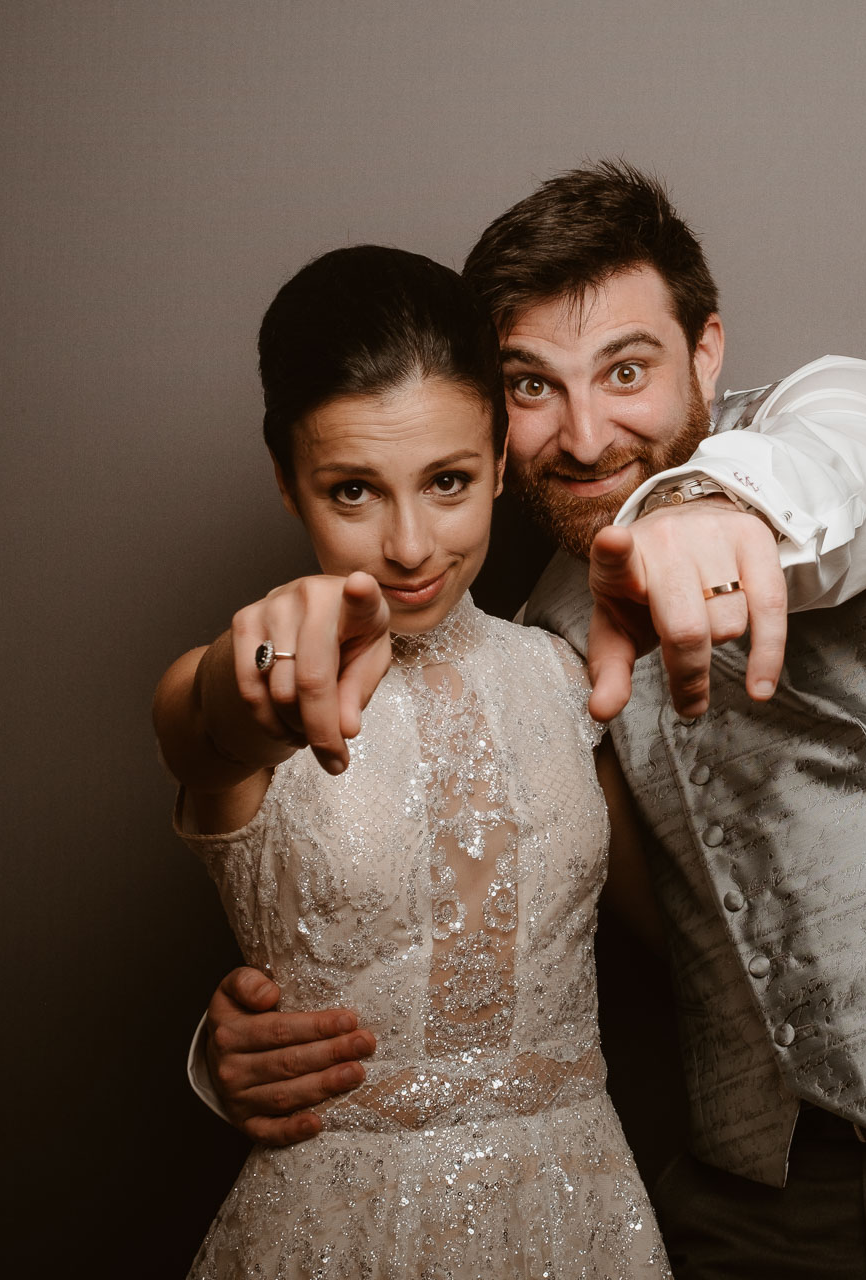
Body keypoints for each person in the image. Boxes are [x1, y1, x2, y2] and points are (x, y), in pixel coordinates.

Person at [193, 164, 866, 1278]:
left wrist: (704, 504)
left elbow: (843, 469)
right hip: (755, 1211)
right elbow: (481, 913)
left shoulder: (840, 426)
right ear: (492, 423)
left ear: (707, 349)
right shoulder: (538, 646)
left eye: (625, 369)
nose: (585, 435)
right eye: (533, 387)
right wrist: (238, 1044)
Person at [153, 244, 670, 1278]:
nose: (406, 543)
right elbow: (202, 724)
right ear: (285, 478)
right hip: (339, 1233)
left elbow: (684, 948)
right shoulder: (252, 676)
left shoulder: (566, 676)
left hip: (574, 1222)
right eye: (351, 490)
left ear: (495, 453)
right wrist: (252, 660)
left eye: (446, 481)